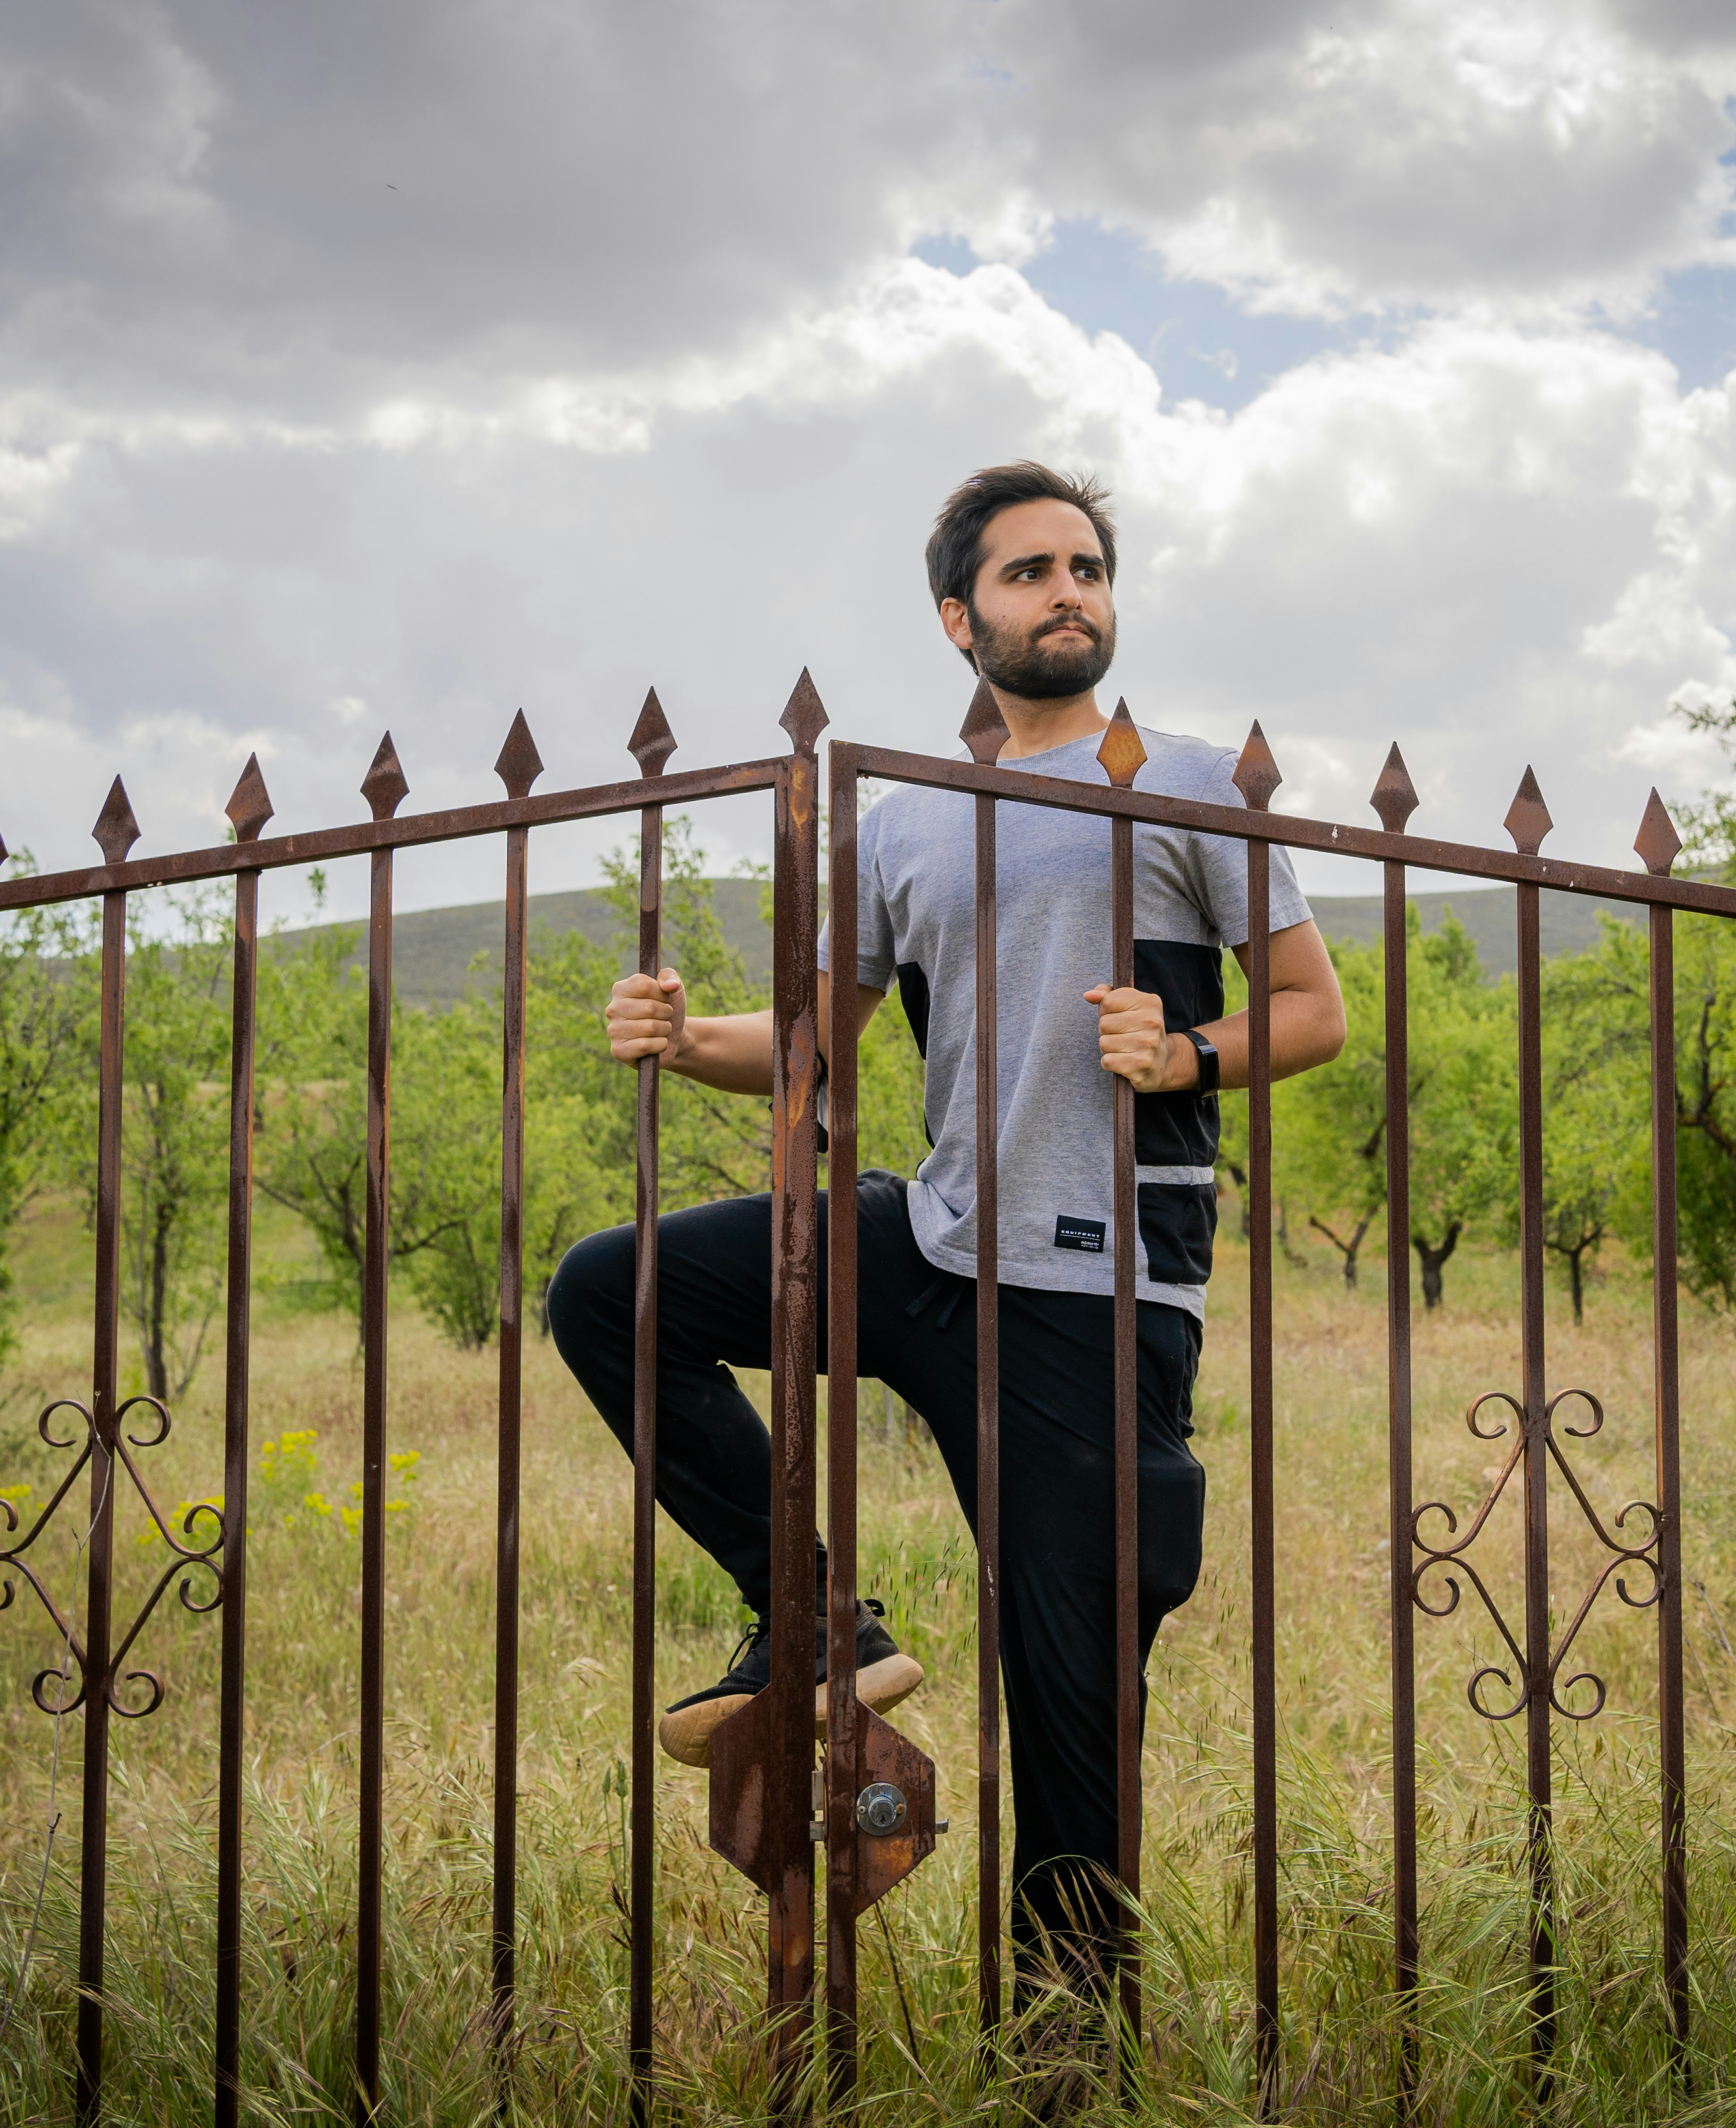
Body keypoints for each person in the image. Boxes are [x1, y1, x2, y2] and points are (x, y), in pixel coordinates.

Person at [546, 460, 1346, 1996]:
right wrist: (672, 1030)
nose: (1069, 593)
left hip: (1099, 1289)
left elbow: (1314, 1012)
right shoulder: (910, 824)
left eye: (1088, 568)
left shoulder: (1180, 787)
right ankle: (818, 1621)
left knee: (1071, 1694)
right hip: (932, 1242)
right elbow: (812, 1051)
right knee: (613, 1292)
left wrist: (1186, 1055)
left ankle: (1067, 2037)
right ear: (957, 617)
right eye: (1032, 573)